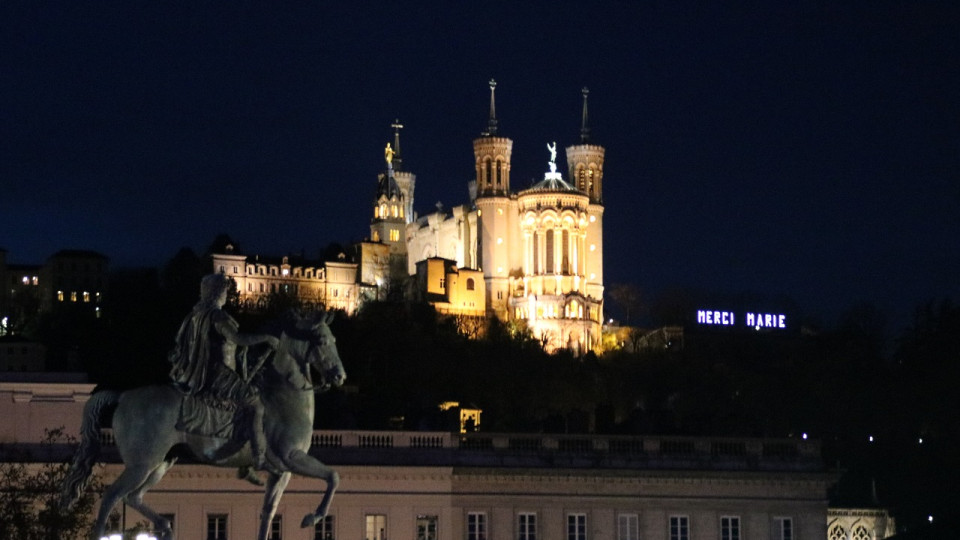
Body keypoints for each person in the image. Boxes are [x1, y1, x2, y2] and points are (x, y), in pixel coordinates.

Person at [168, 273, 279, 476]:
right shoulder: (216, 315)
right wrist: (266, 338)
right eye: (225, 290)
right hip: (219, 374)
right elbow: (237, 337)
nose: (227, 294)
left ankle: (243, 463)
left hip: (207, 371)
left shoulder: (197, 313)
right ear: (218, 292)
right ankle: (259, 458)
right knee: (256, 403)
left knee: (243, 405)